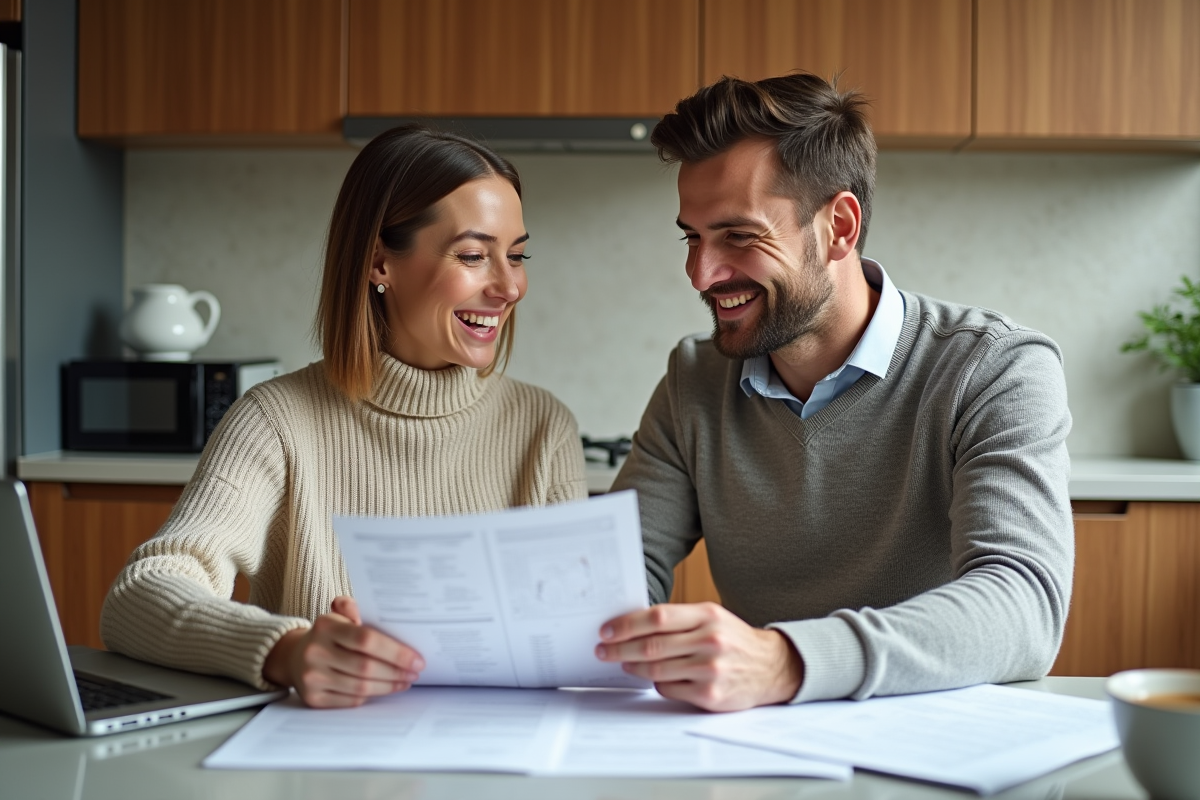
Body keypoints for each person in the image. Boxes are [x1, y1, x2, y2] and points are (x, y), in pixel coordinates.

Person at [594, 73, 1073, 712]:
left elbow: (1024, 605)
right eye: (693, 237)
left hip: (939, 741)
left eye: (738, 236)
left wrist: (787, 661)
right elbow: (616, 576)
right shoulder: (695, 380)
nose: (701, 274)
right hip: (764, 744)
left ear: (839, 227)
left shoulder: (995, 368)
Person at [101, 126, 588, 708]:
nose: (510, 287)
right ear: (380, 263)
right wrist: (287, 650)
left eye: (517, 255)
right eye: (474, 256)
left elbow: (574, 635)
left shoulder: (542, 426)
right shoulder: (275, 422)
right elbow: (137, 598)